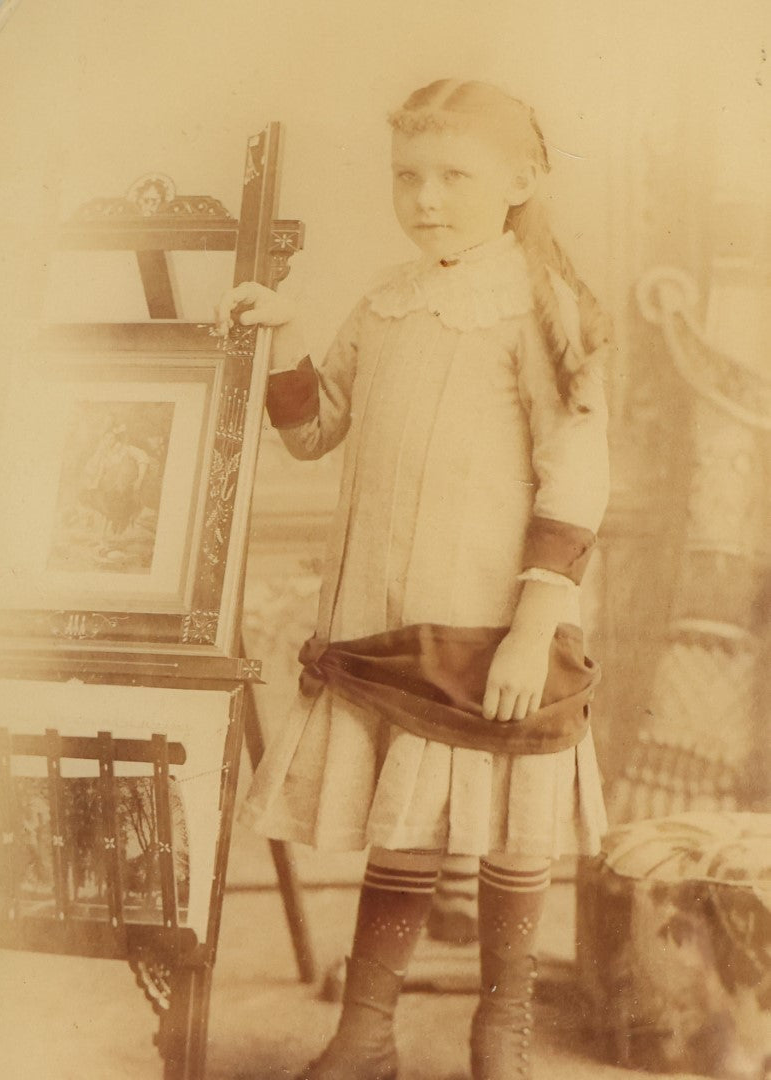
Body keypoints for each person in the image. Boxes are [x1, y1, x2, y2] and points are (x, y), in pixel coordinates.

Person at [218, 78, 612, 1080]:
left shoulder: (542, 305)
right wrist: (287, 339)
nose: (426, 197)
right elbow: (316, 430)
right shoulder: (387, 299)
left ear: (522, 180)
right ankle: (369, 1033)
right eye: (407, 176)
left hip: (496, 626)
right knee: (407, 829)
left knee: (509, 833)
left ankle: (502, 1033)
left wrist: (531, 629)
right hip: (392, 629)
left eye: (454, 175)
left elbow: (576, 477)